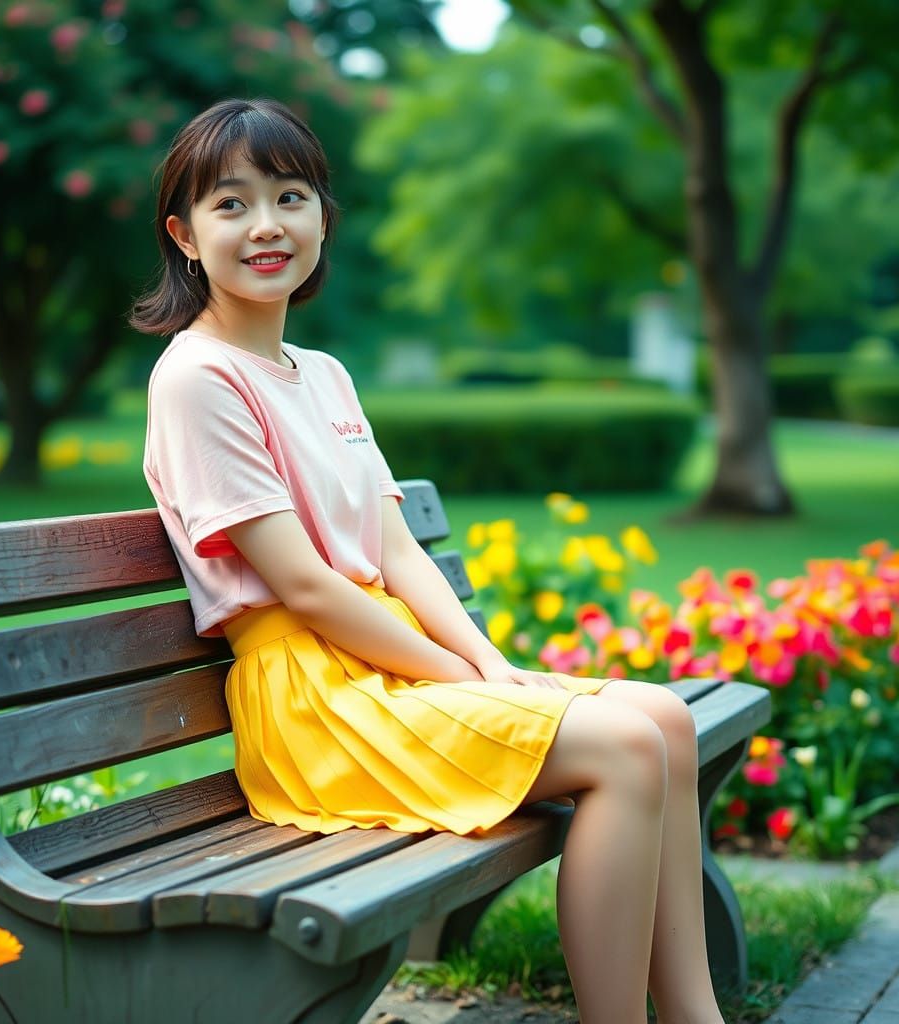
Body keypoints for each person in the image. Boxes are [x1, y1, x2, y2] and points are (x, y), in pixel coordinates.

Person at [131, 97, 725, 1024]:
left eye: (290, 197)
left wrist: (491, 668)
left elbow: (394, 547)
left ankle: (696, 1018)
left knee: (666, 720)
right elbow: (304, 587)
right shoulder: (196, 376)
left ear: (324, 215)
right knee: (623, 744)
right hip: (316, 702)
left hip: (381, 669)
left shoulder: (321, 374)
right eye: (231, 204)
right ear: (184, 233)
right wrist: (464, 676)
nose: (266, 226)